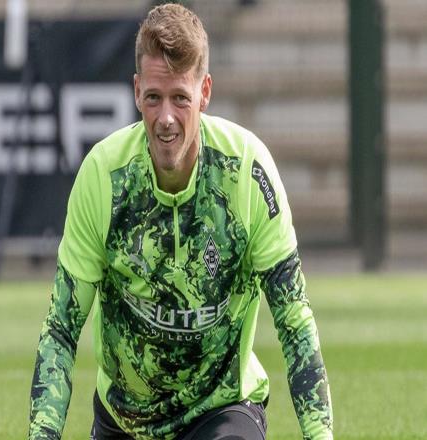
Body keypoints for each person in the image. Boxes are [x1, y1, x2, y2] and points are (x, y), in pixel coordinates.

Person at [28, 3, 333, 439]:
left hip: (221, 409)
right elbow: (61, 328)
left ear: (204, 92)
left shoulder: (246, 172)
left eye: (180, 98)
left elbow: (294, 319)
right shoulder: (103, 176)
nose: (166, 119)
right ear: (137, 92)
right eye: (154, 97)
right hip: (125, 421)